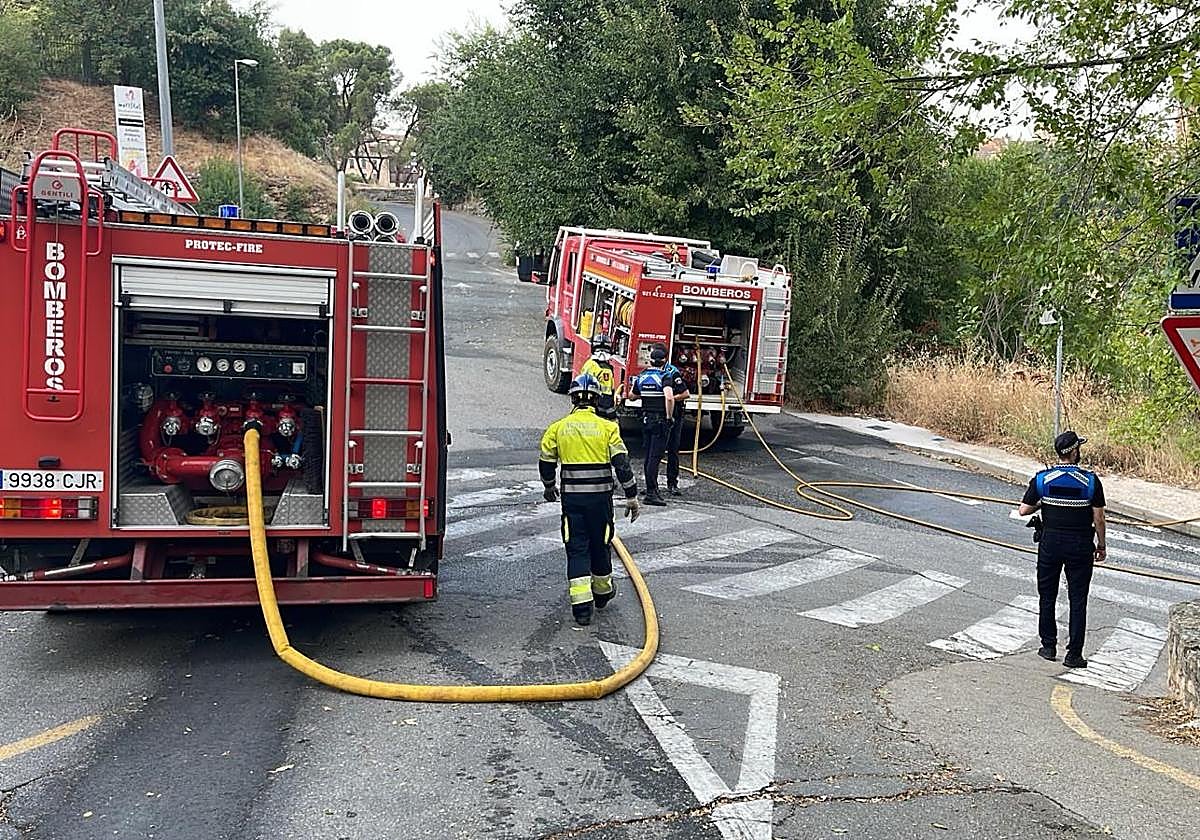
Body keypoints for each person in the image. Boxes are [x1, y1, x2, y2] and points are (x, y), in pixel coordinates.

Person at [539, 374, 641, 626]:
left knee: (576, 548)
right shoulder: (608, 429)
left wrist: (549, 487)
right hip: (600, 503)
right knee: (601, 544)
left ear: (573, 399)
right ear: (596, 400)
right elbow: (622, 465)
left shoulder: (558, 428)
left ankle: (582, 609)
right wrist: (631, 496)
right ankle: (603, 593)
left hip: (572, 503)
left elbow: (546, 462)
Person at [1018, 430, 1106, 669]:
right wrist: (1101, 545)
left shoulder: (1043, 479)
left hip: (1050, 544)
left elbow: (1023, 510)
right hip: (1080, 546)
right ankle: (1074, 654)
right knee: (1078, 599)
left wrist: (1042, 503)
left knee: (1047, 596)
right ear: (1075, 451)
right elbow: (1098, 518)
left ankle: (1048, 646)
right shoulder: (1090, 481)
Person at [630, 346, 675, 506]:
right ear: (664, 360)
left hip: (646, 420)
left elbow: (632, 396)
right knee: (655, 458)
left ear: (650, 361)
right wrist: (669, 417)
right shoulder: (665, 376)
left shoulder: (642, 376)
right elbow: (669, 397)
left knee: (649, 456)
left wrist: (645, 393)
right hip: (660, 420)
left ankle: (652, 489)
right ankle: (651, 493)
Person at [659, 349, 692, 496]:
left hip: (675, 415)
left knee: (673, 449)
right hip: (658, 415)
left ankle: (672, 483)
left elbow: (685, 394)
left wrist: (670, 399)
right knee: (654, 451)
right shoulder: (650, 372)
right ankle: (651, 485)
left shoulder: (672, 372)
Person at [581, 334, 619, 421]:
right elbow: (608, 391)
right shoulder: (607, 368)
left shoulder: (589, 364)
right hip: (601, 406)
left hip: (592, 404)